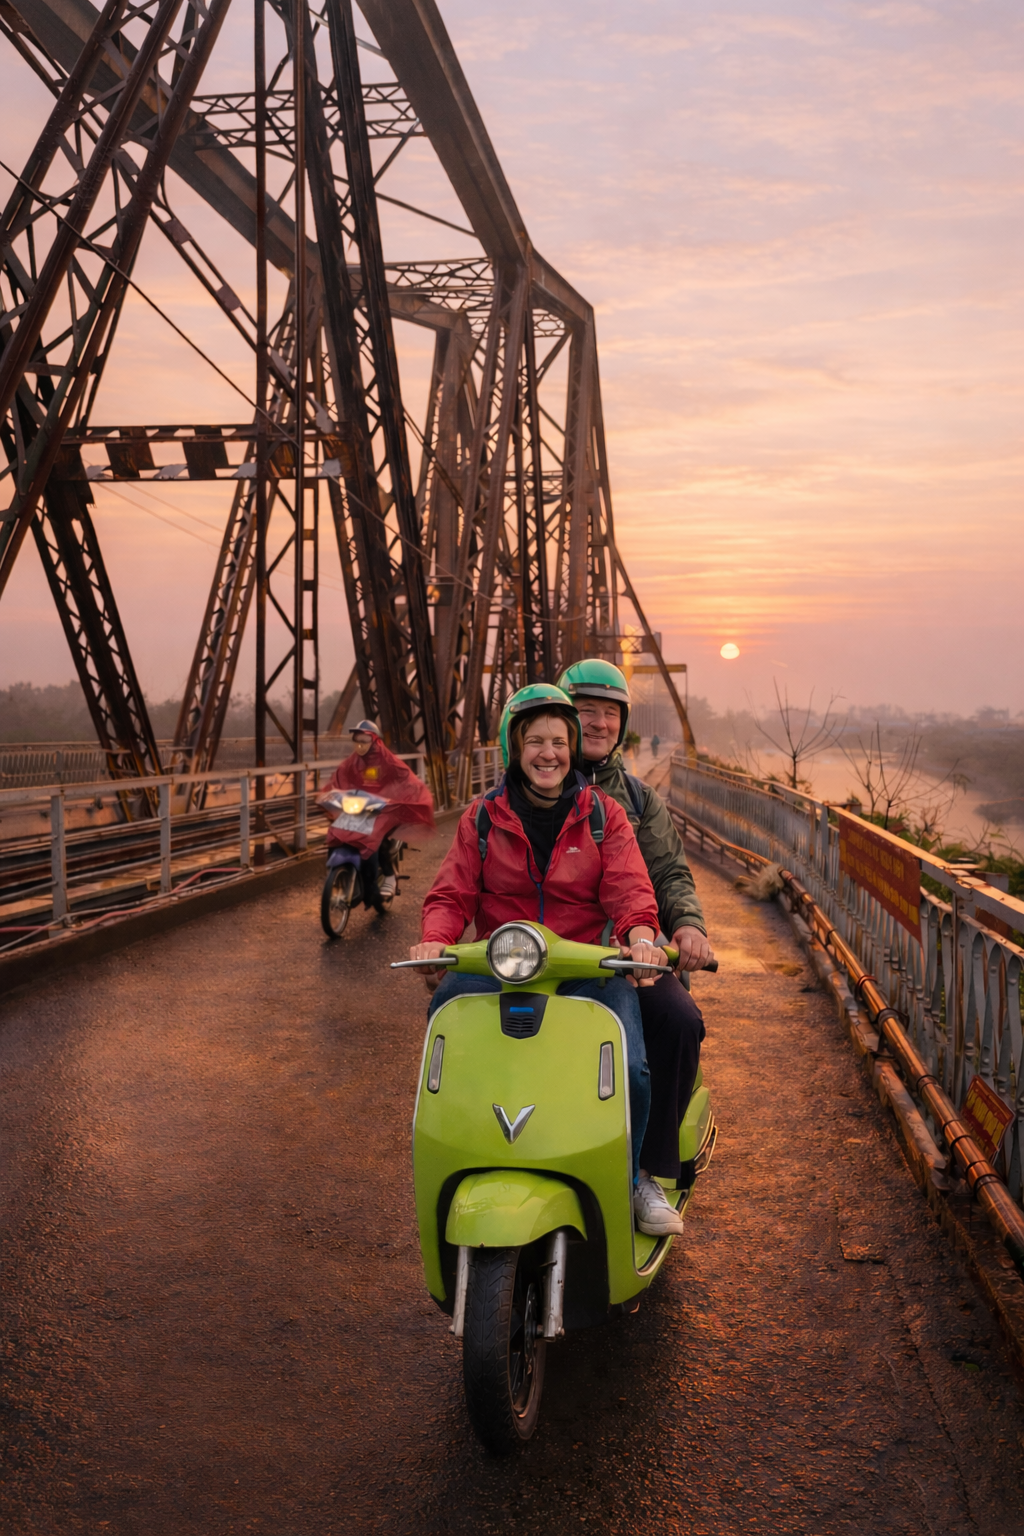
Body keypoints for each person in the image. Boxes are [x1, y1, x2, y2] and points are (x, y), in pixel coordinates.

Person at [407, 684, 685, 1237]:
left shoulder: (603, 814)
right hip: (498, 964)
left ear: (572, 744)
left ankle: (632, 1181)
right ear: (515, 746)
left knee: (628, 1064)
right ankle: (458, 1161)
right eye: (535, 741)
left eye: (560, 741)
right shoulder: (482, 818)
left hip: (587, 967)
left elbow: (631, 888)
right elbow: (451, 893)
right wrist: (435, 939)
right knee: (448, 1028)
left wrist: (641, 936)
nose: (549, 754)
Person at [557, 660, 710, 1191]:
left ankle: (649, 1169)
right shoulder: (533, 787)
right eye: (584, 711)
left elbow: (669, 874)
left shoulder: (641, 801)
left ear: (623, 723)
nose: (598, 723)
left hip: (626, 955)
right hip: (551, 954)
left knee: (678, 1020)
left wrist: (687, 925)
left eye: (609, 713)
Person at [319, 720, 435, 899]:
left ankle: (389, 877)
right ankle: (337, 875)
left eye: (364, 741)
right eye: (356, 741)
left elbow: (407, 778)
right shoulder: (353, 761)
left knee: (378, 839)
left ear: (374, 741)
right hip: (362, 807)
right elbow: (338, 778)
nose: (360, 746)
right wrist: (326, 795)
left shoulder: (387, 760)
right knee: (338, 832)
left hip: (383, 808)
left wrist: (402, 797)